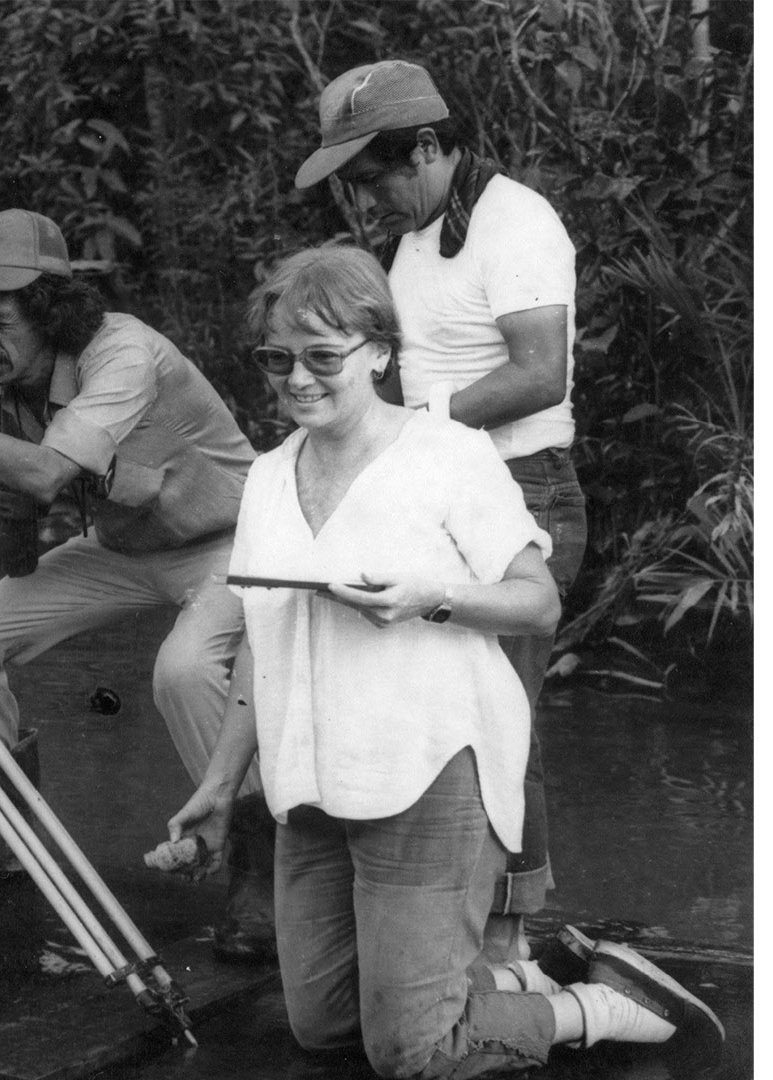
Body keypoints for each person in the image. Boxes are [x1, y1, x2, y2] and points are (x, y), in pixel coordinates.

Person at [167, 245, 721, 1078]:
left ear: (381, 353)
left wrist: (431, 595)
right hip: (312, 782)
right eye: (277, 359)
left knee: (413, 1055)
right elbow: (261, 643)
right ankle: (499, 978)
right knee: (320, 1028)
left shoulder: (447, 453)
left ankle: (602, 1006)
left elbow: (537, 601)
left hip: (430, 772)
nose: (298, 379)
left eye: (323, 357)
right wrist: (216, 790)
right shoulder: (270, 476)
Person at [0, 209, 277, 960]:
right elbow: (14, 550)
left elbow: (44, 471)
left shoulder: (124, 354)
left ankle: (258, 868)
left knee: (185, 668)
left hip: (235, 542)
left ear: (49, 310)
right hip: (127, 549)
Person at [294, 59, 588, 967]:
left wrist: (409, 428)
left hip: (521, 492)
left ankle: (511, 942)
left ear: (428, 146)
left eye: (373, 174)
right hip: (440, 496)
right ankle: (443, 920)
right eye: (351, 181)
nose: (365, 196)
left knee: (503, 717)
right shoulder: (420, 238)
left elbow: (543, 375)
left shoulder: (516, 221)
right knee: (429, 708)